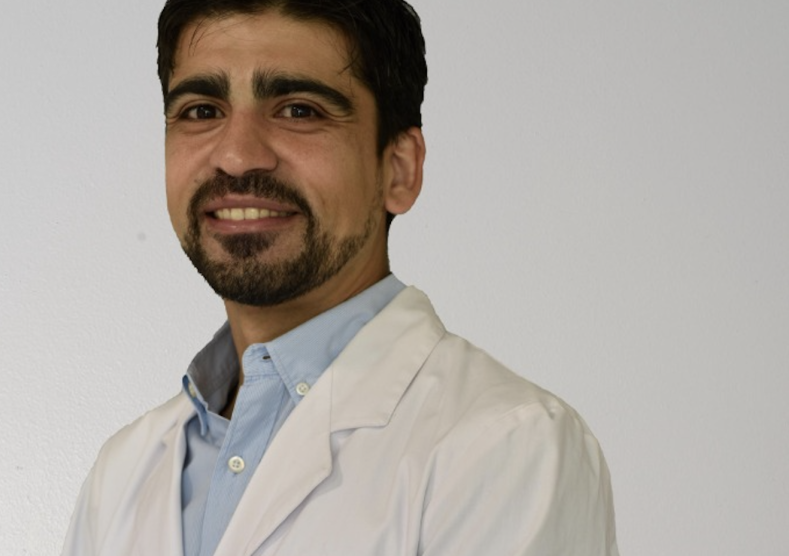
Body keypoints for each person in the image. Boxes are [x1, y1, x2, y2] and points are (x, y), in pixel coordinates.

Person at [61, 1, 619, 555]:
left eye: (298, 110)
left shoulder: (509, 447)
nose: (236, 156)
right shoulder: (123, 474)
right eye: (202, 110)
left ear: (399, 170)